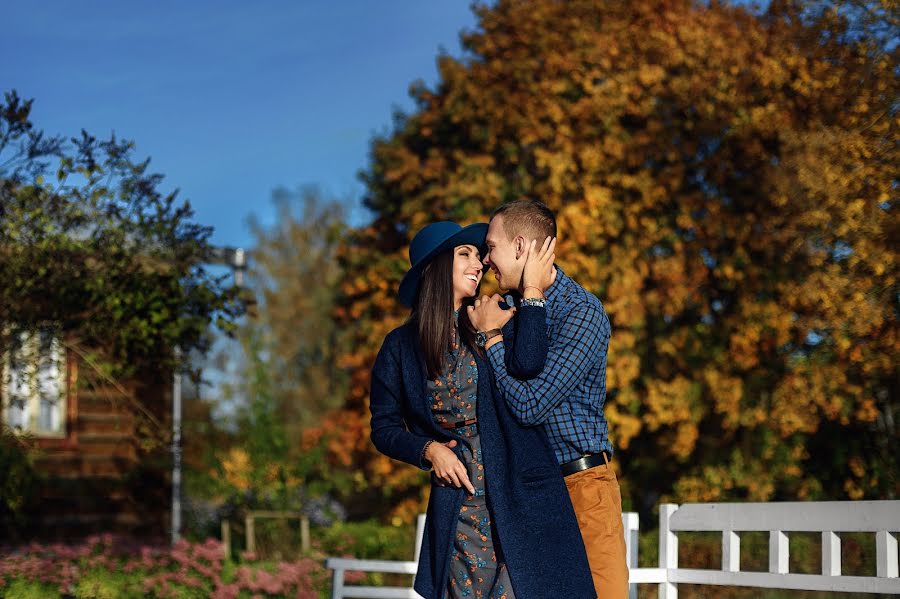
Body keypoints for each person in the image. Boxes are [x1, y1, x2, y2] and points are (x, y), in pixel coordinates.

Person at [369, 220, 595, 599]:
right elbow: (384, 427)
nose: (479, 264)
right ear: (434, 268)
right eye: (465, 255)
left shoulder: (494, 315)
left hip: (520, 496)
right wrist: (428, 450)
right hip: (461, 507)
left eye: (478, 254)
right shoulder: (400, 347)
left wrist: (522, 304)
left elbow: (528, 364)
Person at [468, 199, 629, 599]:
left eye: (491, 247)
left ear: (521, 246)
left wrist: (491, 341)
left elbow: (529, 405)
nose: (486, 260)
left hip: (581, 485)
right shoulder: (506, 310)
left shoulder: (582, 312)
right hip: (528, 490)